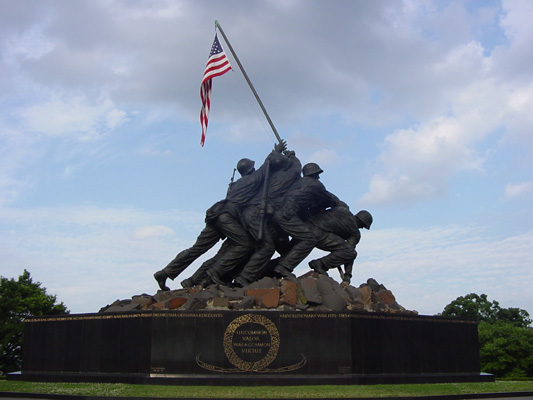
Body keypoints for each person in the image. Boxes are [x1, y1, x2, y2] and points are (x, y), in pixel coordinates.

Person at [154, 143, 285, 291]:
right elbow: (264, 169)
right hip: (226, 217)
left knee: (196, 249)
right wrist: (275, 152)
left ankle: (165, 272)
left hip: (215, 214)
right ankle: (214, 272)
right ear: (250, 170)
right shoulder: (250, 180)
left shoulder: (235, 185)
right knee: (245, 244)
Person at [232, 149, 301, 287]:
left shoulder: (264, 178)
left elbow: (265, 166)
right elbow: (297, 169)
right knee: (267, 247)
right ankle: (243, 278)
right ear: (284, 166)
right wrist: (292, 156)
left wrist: (275, 152)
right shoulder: (284, 177)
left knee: (266, 244)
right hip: (257, 214)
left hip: (252, 214)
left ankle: (255, 272)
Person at [270, 162, 348, 277]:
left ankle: (271, 267)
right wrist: (340, 205)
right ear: (314, 174)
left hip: (275, 213)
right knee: (309, 239)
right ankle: (283, 267)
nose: (319, 177)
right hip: (286, 216)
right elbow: (329, 199)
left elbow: (303, 205)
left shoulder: (299, 182)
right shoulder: (316, 184)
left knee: (293, 241)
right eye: (317, 174)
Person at [307, 208, 373, 285]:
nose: (361, 228)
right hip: (320, 234)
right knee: (350, 252)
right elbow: (349, 254)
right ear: (361, 221)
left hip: (308, 226)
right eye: (363, 225)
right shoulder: (355, 232)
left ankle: (321, 266)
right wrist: (347, 275)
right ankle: (320, 264)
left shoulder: (343, 210)